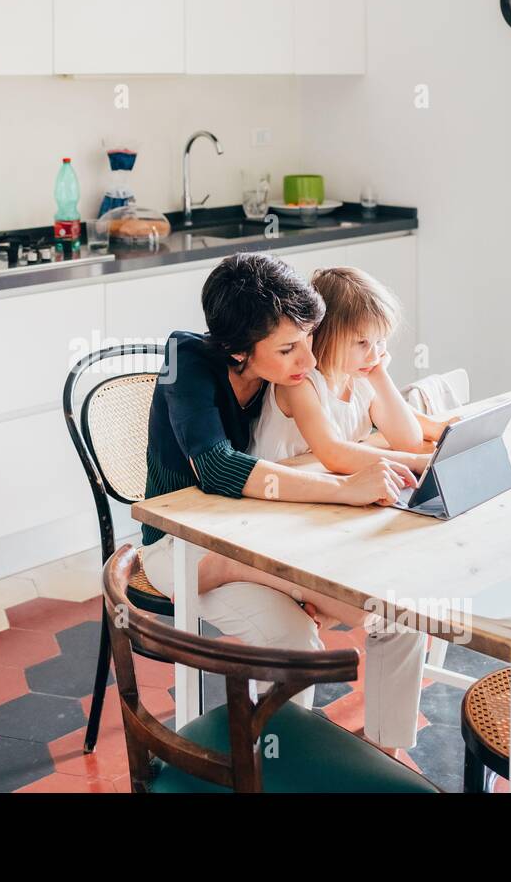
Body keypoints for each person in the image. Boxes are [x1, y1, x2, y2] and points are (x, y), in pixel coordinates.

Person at [139, 253, 414, 712]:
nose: (308, 358)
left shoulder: (283, 372)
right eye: (288, 349)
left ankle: (389, 751)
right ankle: (277, 762)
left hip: (258, 529)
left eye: (308, 338)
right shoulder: (185, 360)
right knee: (299, 646)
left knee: (399, 619)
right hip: (179, 545)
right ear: (239, 351)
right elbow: (217, 466)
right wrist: (344, 490)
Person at [248, 265, 456, 750]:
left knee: (407, 602)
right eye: (363, 343)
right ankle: (289, 749)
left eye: (380, 342)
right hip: (275, 518)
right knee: (397, 589)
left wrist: (379, 375)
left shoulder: (359, 379)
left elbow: (404, 431)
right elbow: (335, 454)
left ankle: (387, 748)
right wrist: (420, 460)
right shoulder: (301, 383)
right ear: (325, 337)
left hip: (327, 515)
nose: (374, 352)